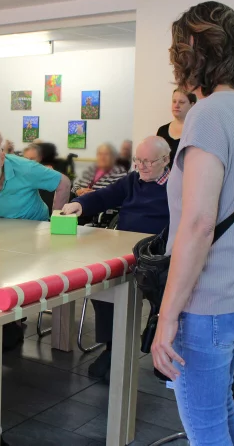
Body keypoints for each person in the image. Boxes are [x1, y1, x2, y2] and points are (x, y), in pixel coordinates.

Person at [150, 3, 234, 445]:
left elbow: (199, 224)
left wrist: (167, 317)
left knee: (205, 431)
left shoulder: (206, 115)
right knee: (221, 409)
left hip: (207, 306)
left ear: (191, 52)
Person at [62, 136, 171, 381]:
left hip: (156, 254)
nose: (141, 166)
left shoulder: (178, 185)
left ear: (166, 160)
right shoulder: (133, 180)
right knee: (101, 284)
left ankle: (158, 339)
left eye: (148, 161)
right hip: (124, 249)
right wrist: (79, 204)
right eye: (138, 160)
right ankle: (113, 346)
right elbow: (104, 196)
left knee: (161, 292)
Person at [156, 89, 197, 166]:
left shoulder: (197, 130)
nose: (176, 105)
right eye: (174, 101)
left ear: (192, 105)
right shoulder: (162, 130)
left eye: (181, 102)